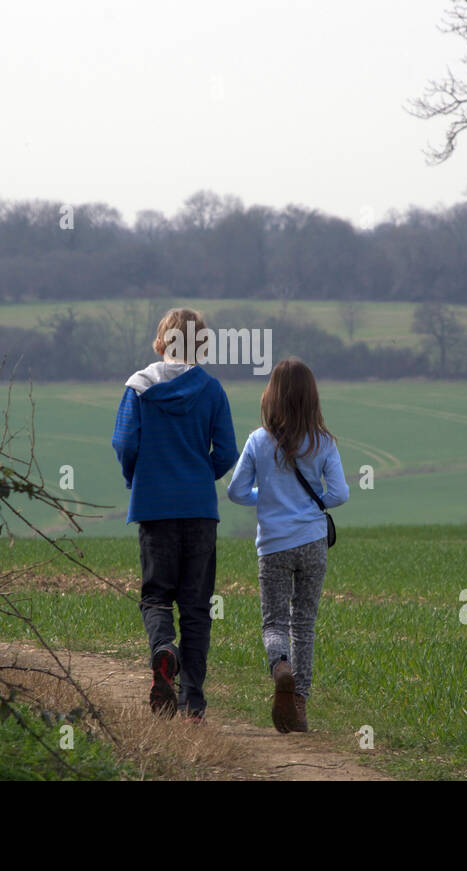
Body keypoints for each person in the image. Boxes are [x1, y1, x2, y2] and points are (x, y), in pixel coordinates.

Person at [112, 307, 238, 721]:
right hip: (200, 511)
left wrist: (140, 478)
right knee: (197, 607)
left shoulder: (138, 388)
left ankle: (163, 649)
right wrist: (202, 476)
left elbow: (125, 443)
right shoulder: (213, 390)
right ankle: (193, 703)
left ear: (162, 341)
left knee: (155, 596)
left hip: (154, 507)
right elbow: (227, 454)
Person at [227, 357, 347, 733]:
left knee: (274, 621)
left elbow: (236, 492)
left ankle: (281, 667)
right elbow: (340, 494)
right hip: (312, 542)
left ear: (271, 396)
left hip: (274, 546)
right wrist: (309, 505)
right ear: (312, 398)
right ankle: (299, 705)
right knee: (304, 623)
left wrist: (268, 497)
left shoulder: (258, 441)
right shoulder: (323, 442)